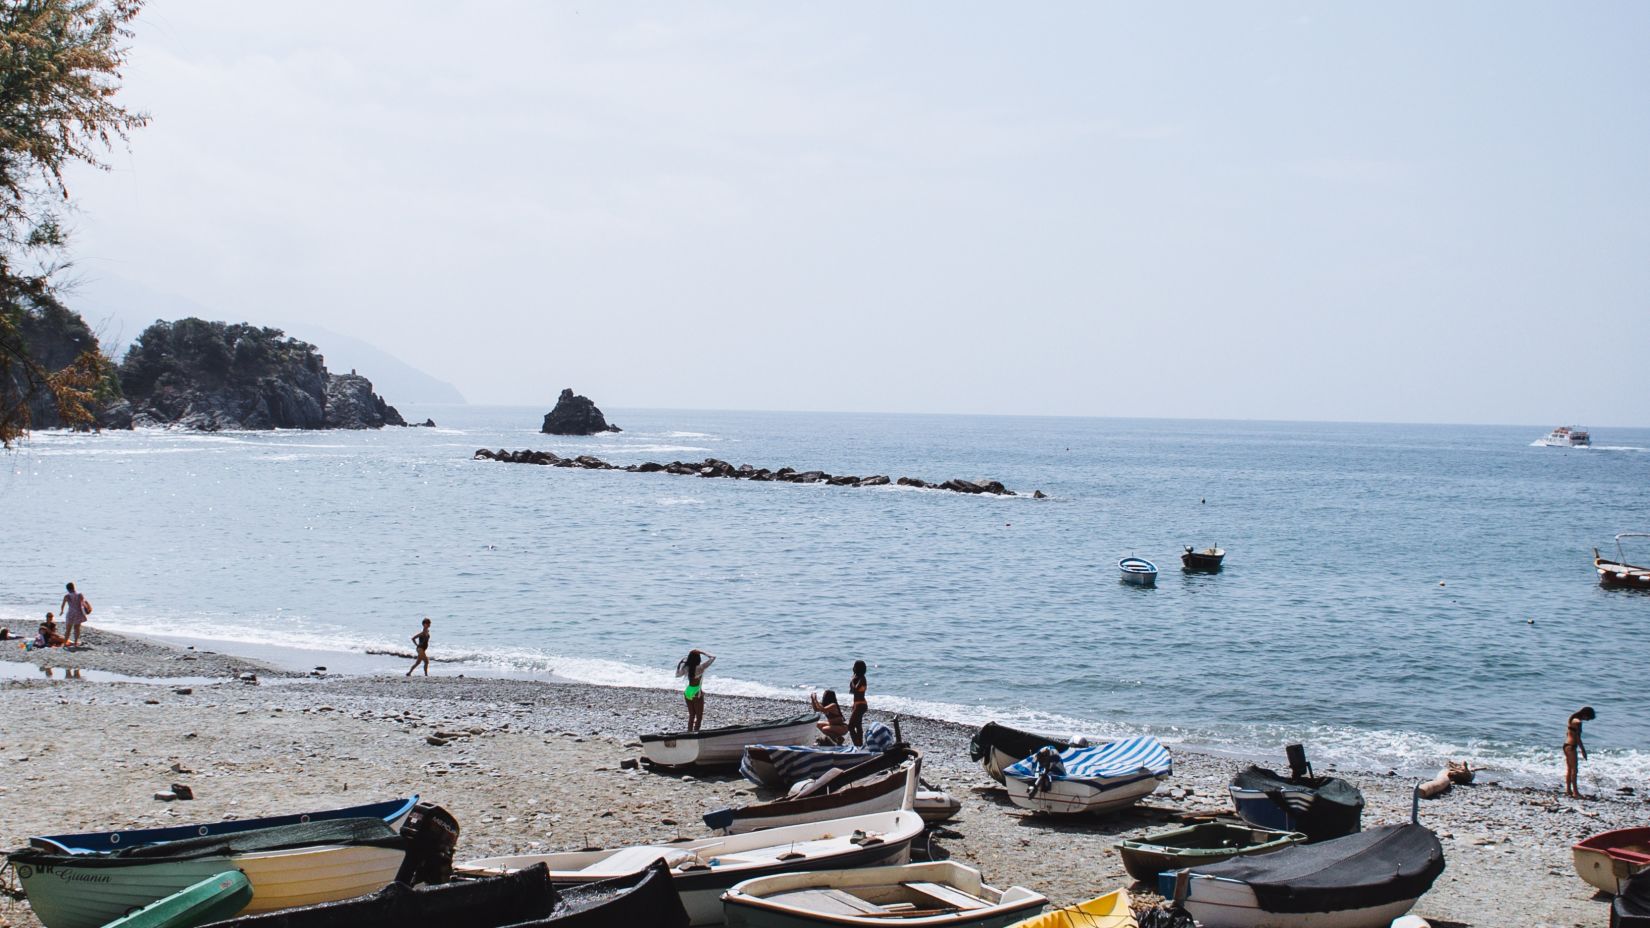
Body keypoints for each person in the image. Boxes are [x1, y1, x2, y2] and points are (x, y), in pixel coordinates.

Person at [676, 649, 715, 732]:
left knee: (692, 715)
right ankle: (695, 733)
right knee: (699, 716)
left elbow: (677, 675)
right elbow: (713, 658)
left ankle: (689, 732)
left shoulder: (686, 667)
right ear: (698, 658)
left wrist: (680, 663)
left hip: (688, 691)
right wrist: (703, 652)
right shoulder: (701, 667)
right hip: (696, 692)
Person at [1565, 706, 1595, 798]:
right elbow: (1578, 738)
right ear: (1585, 715)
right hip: (1571, 747)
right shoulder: (1577, 722)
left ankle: (1569, 790)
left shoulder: (1572, 719)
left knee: (1570, 769)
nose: (1588, 720)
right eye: (1588, 718)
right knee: (1574, 770)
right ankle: (1575, 792)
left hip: (1567, 746)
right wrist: (1583, 750)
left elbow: (1569, 734)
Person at [59, 581, 90, 648]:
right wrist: (87, 609)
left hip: (70, 613)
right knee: (77, 628)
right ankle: (75, 642)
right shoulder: (80, 595)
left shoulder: (67, 596)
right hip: (78, 613)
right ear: (74, 587)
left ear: (67, 589)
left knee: (68, 629)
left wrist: (61, 611)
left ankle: (65, 643)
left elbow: (63, 605)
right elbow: (83, 603)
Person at [847, 660, 869, 747]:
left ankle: (857, 745)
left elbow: (855, 689)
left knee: (850, 726)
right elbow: (852, 691)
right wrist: (853, 680)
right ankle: (859, 745)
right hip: (857, 704)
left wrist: (852, 680)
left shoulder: (862, 679)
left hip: (861, 705)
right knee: (858, 725)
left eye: (855, 666)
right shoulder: (859, 678)